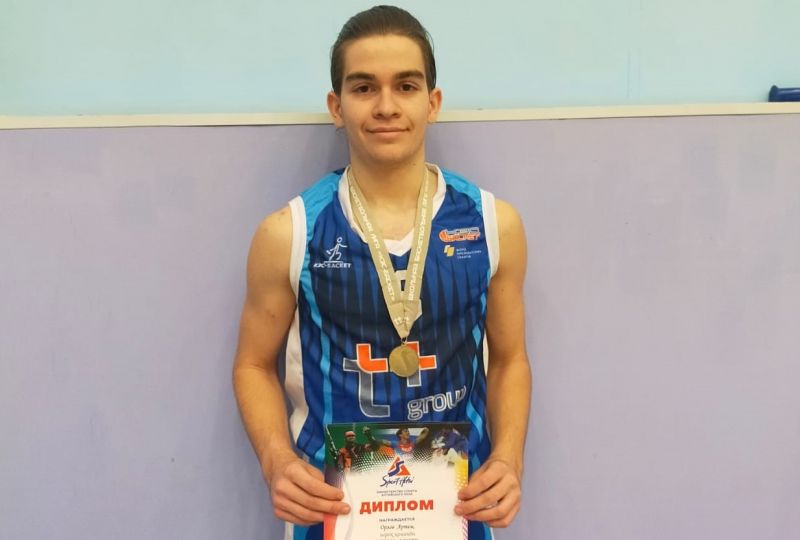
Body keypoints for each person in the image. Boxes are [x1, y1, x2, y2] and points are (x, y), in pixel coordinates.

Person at [232, 5, 531, 539]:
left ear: (433, 102)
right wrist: (276, 460)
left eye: (406, 86)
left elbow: (510, 360)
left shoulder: (491, 224)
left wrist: (508, 459)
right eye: (364, 87)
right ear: (337, 106)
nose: (386, 106)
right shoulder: (290, 232)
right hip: (331, 511)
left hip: (457, 509)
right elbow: (253, 364)